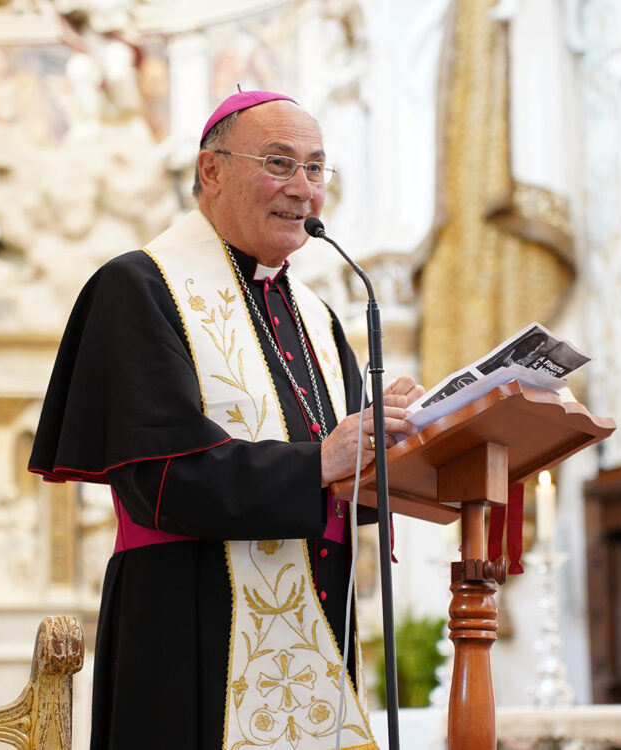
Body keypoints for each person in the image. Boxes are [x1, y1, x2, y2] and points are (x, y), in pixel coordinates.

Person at [28, 90, 424, 750]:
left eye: (317, 168)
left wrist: (401, 437)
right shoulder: (140, 288)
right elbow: (159, 480)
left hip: (319, 626)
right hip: (190, 628)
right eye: (280, 163)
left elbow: (347, 486)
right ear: (211, 171)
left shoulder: (318, 317)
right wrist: (324, 460)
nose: (304, 188)